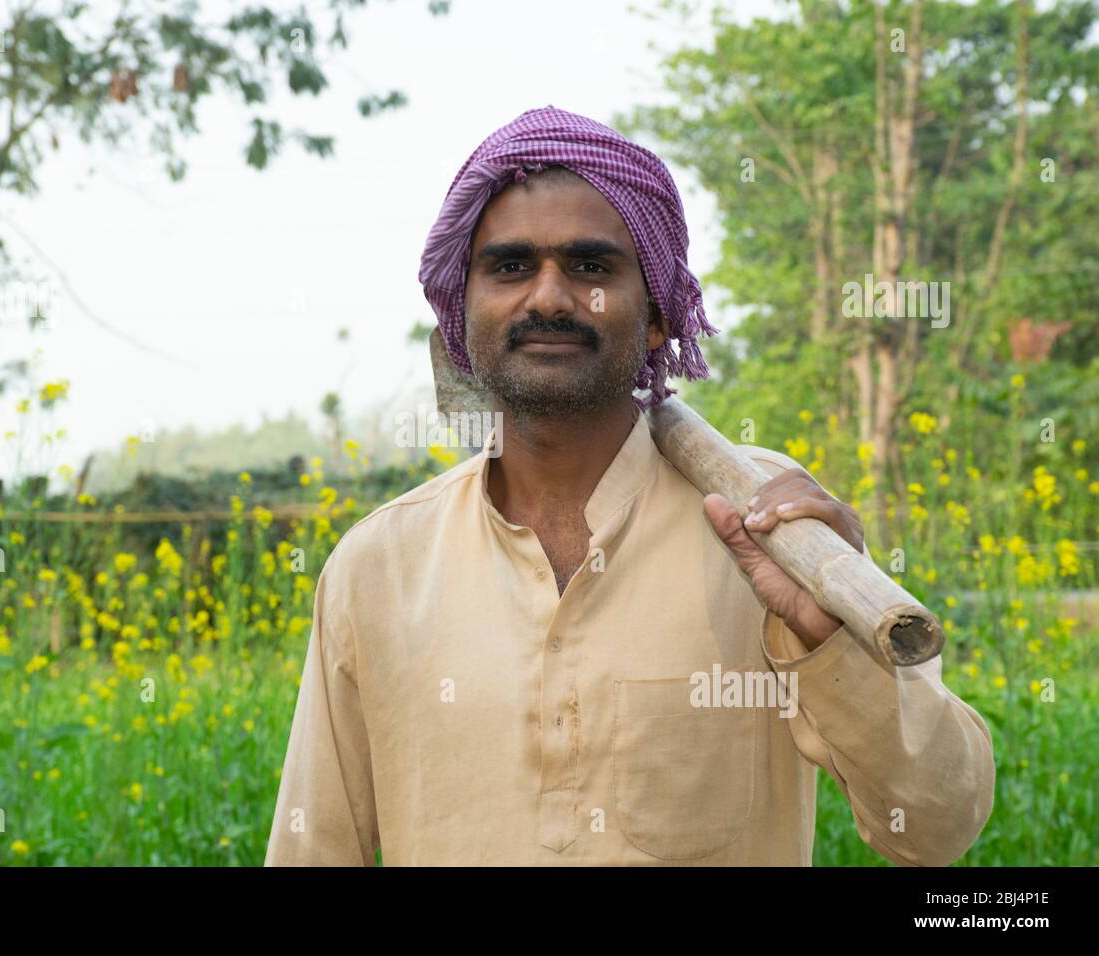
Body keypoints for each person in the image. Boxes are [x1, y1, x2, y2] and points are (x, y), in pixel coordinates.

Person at [264, 106, 994, 866]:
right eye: (510, 267)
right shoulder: (379, 567)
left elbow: (938, 826)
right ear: (461, 310)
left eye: (590, 267)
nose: (548, 297)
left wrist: (823, 635)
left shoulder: (769, 528)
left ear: (654, 317)